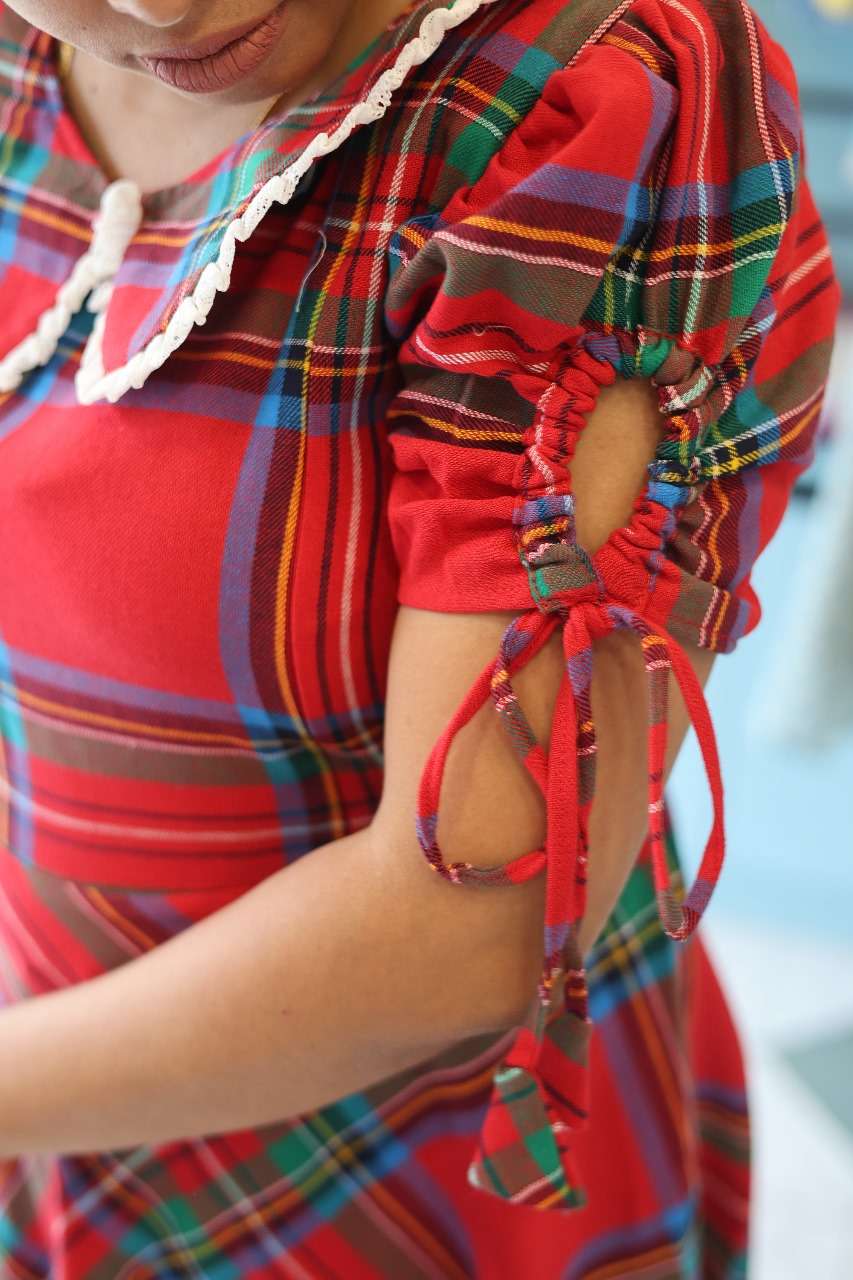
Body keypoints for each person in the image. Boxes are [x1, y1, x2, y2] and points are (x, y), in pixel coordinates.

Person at [0, 0, 839, 1276]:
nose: (161, 5)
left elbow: (470, 920)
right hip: (53, 1041)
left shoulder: (582, 109)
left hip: (406, 1151)